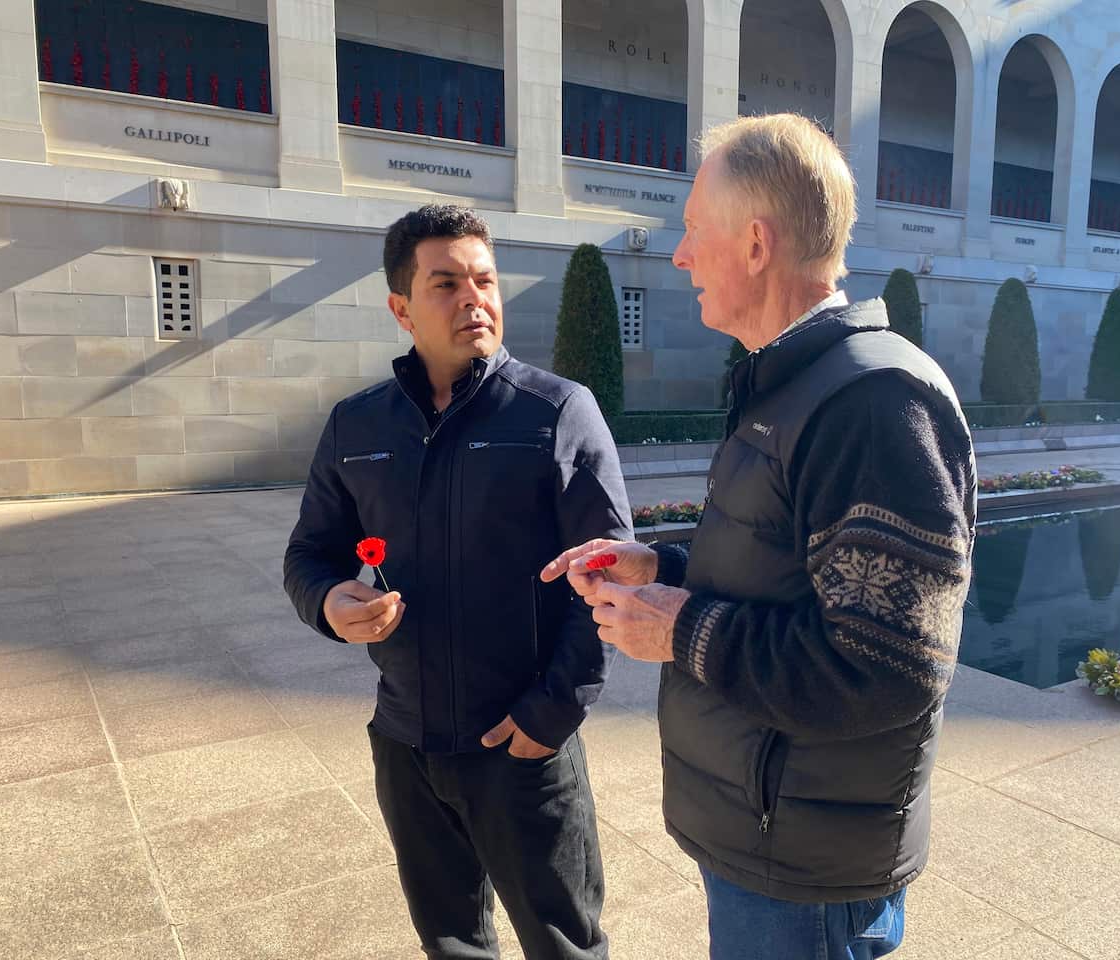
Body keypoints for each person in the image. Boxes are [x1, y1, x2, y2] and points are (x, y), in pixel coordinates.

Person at [542, 114, 977, 960]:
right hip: (770, 835)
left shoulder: (873, 405)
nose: (677, 255)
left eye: (691, 231)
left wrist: (677, 627)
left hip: (806, 872)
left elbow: (885, 667)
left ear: (753, 243)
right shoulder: (793, 383)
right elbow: (787, 574)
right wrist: (663, 564)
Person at [284, 204, 631, 960]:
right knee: (451, 944)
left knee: (564, 946)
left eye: (484, 280)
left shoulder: (556, 413)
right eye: (446, 283)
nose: (474, 298)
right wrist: (329, 603)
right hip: (406, 744)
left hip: (522, 749)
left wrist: (551, 714)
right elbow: (309, 553)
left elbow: (607, 576)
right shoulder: (357, 426)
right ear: (400, 308)